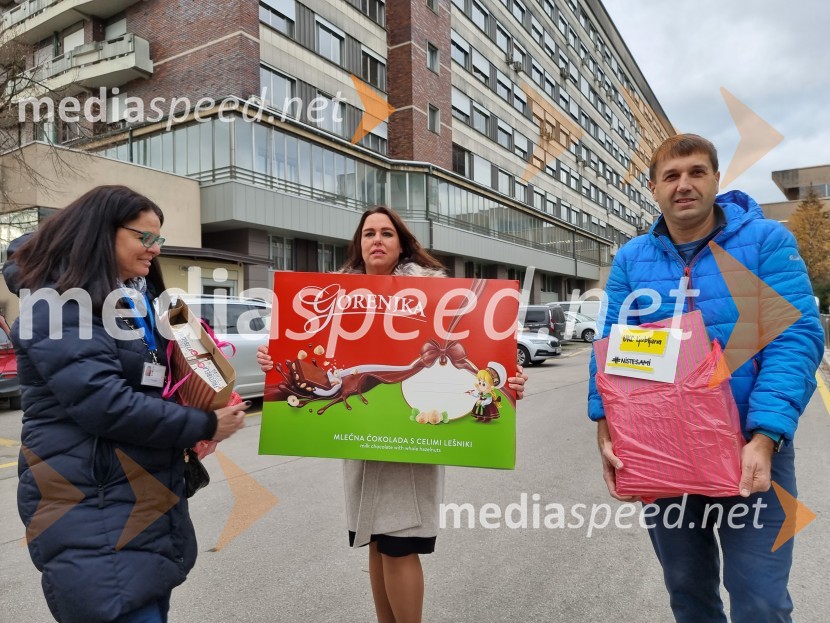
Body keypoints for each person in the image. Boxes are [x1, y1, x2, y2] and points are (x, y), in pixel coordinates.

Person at [587, 135, 823, 623]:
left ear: (716, 179)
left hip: (751, 450)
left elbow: (795, 337)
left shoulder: (766, 242)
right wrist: (606, 428)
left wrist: (766, 436)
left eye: (696, 172)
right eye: (671, 176)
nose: (684, 185)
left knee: (761, 599)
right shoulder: (632, 259)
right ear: (653, 188)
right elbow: (611, 349)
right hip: (664, 452)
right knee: (687, 591)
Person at [257, 206, 528, 623]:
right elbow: (313, 360)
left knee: (400, 544)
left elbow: (479, 349)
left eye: (387, 233)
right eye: (369, 233)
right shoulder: (335, 299)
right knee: (377, 541)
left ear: (402, 245)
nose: (377, 240)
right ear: (359, 244)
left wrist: (507, 378)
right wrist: (273, 359)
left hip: (411, 445)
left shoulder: (435, 297)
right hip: (362, 442)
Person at [3, 185, 248, 623]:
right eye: (144, 237)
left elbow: (152, 379)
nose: (155, 249)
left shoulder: (131, 299)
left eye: (159, 238)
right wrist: (203, 424)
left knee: (146, 601)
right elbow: (106, 404)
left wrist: (202, 392)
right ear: (102, 232)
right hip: (88, 497)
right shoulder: (58, 305)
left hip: (136, 492)